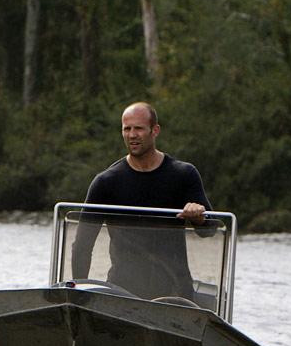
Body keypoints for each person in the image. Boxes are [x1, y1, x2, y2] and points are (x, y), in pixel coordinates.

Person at [71, 102, 213, 300]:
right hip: (122, 293)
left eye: (138, 128)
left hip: (175, 292)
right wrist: (79, 293)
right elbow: (82, 245)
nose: (132, 135)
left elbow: (211, 228)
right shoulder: (106, 182)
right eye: (126, 129)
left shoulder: (183, 174)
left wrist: (198, 216)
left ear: (155, 131)